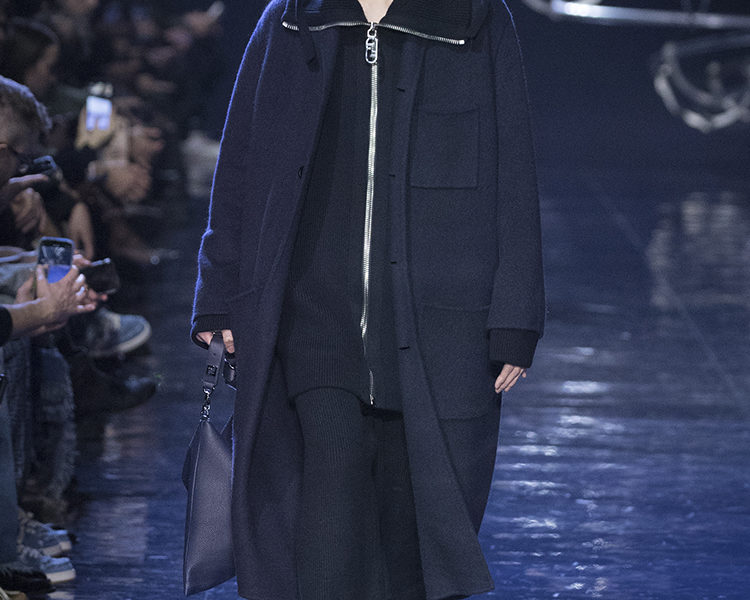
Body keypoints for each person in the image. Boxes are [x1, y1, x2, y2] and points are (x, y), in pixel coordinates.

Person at [191, 0, 545, 599]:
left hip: (437, 307)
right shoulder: (294, 18)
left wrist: (516, 314)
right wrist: (218, 292)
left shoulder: (472, 18)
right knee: (331, 466)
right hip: (313, 298)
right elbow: (244, 159)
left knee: (410, 510)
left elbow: (514, 164)